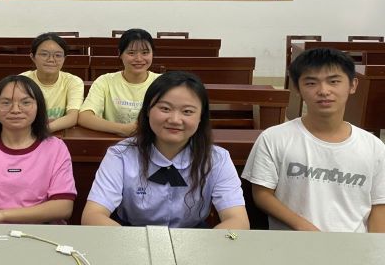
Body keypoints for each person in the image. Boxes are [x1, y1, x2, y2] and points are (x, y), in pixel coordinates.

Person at [242, 48, 385, 232]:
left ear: (353, 85)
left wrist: (375, 245)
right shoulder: (274, 138)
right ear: (297, 89)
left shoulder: (374, 147)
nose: (324, 91)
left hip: (354, 244)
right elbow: (262, 194)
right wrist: (304, 227)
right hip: (293, 241)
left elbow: (379, 204)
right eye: (311, 83)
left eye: (334, 81)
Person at [82, 71, 249, 229]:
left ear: (201, 117)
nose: (175, 120)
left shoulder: (217, 158)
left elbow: (238, 220)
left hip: (194, 237)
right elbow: (93, 215)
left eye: (187, 111)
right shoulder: (120, 155)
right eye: (165, 109)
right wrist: (133, 243)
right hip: (130, 233)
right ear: (147, 110)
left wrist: (202, 245)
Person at [0, 75, 76, 224]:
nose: (15, 110)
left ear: (38, 107)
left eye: (26, 102)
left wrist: (1, 215)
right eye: (6, 103)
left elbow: (63, 207)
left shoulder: (56, 148)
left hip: (41, 232)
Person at [0, 33, 84, 132]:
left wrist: (39, 131)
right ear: (33, 57)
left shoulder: (73, 81)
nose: (51, 59)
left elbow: (72, 117)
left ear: (64, 58)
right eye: (44, 54)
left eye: (58, 55)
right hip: (20, 136)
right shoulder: (20, 81)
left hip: (51, 135)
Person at [78, 28, 160, 136]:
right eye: (131, 53)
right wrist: (124, 129)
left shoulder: (161, 82)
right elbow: (84, 117)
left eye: (145, 53)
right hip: (113, 143)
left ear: (152, 53)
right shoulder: (105, 81)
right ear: (120, 54)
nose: (139, 59)